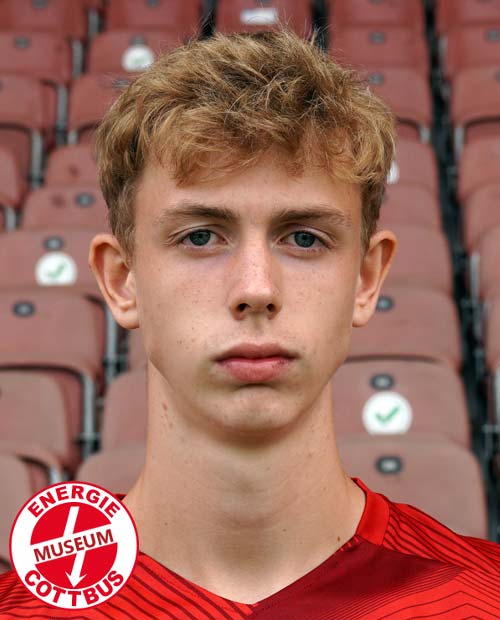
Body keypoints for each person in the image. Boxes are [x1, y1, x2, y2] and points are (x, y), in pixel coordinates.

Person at [1, 28, 499, 619]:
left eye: (304, 238)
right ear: (121, 280)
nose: (256, 289)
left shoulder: (481, 599)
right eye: (200, 237)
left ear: (366, 280)